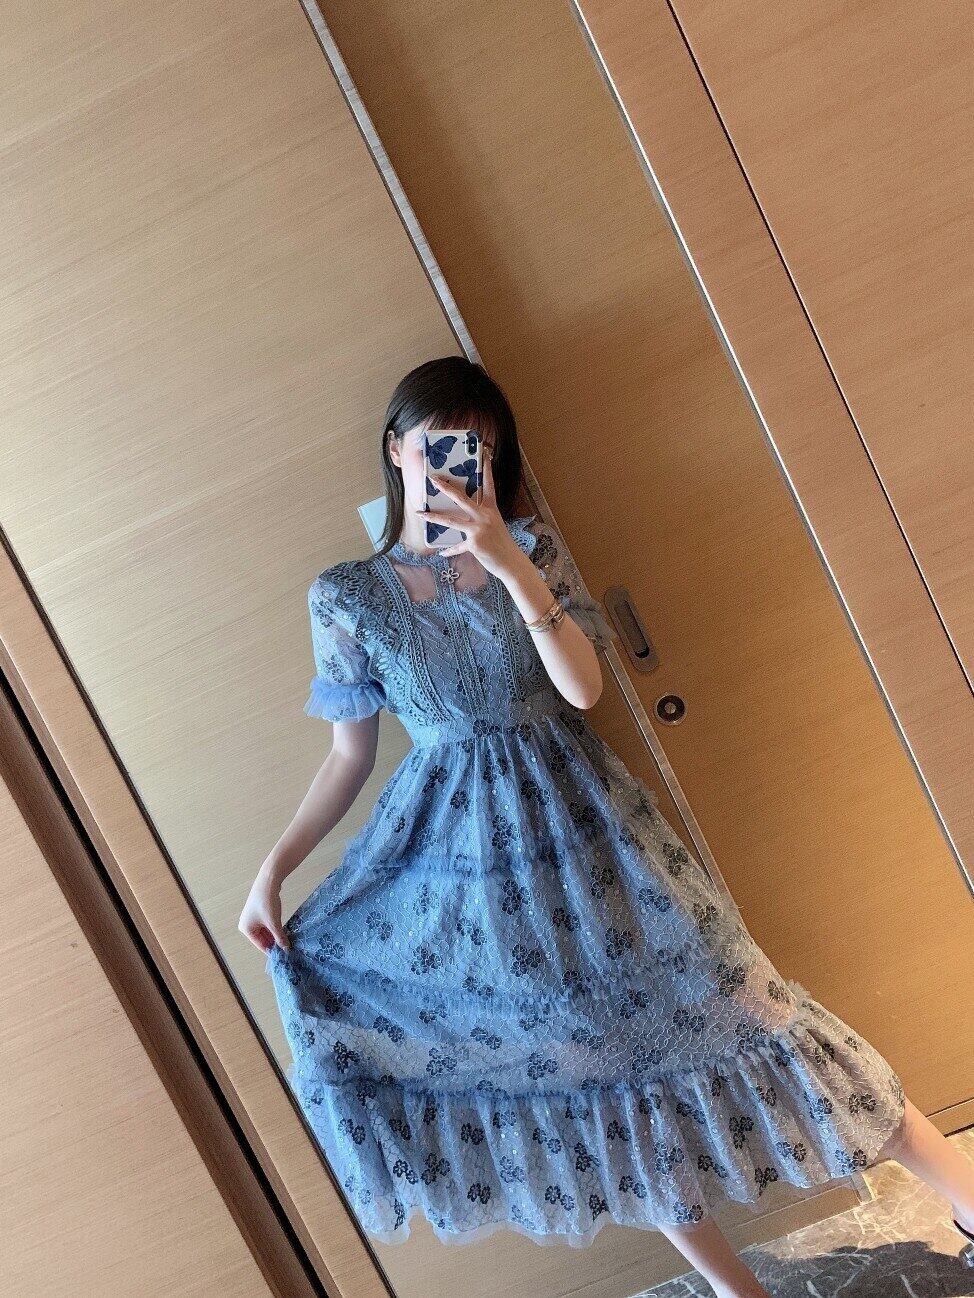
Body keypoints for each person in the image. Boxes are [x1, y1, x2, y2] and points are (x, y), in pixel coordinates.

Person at [240, 356, 974, 1296]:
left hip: (602, 843)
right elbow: (349, 758)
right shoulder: (348, 596)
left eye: (479, 449)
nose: (459, 464)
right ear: (396, 450)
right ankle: (737, 1290)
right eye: (438, 445)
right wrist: (274, 870)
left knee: (758, 1007)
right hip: (472, 884)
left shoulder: (530, 550)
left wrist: (509, 565)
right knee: (603, 1080)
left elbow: (583, 690)